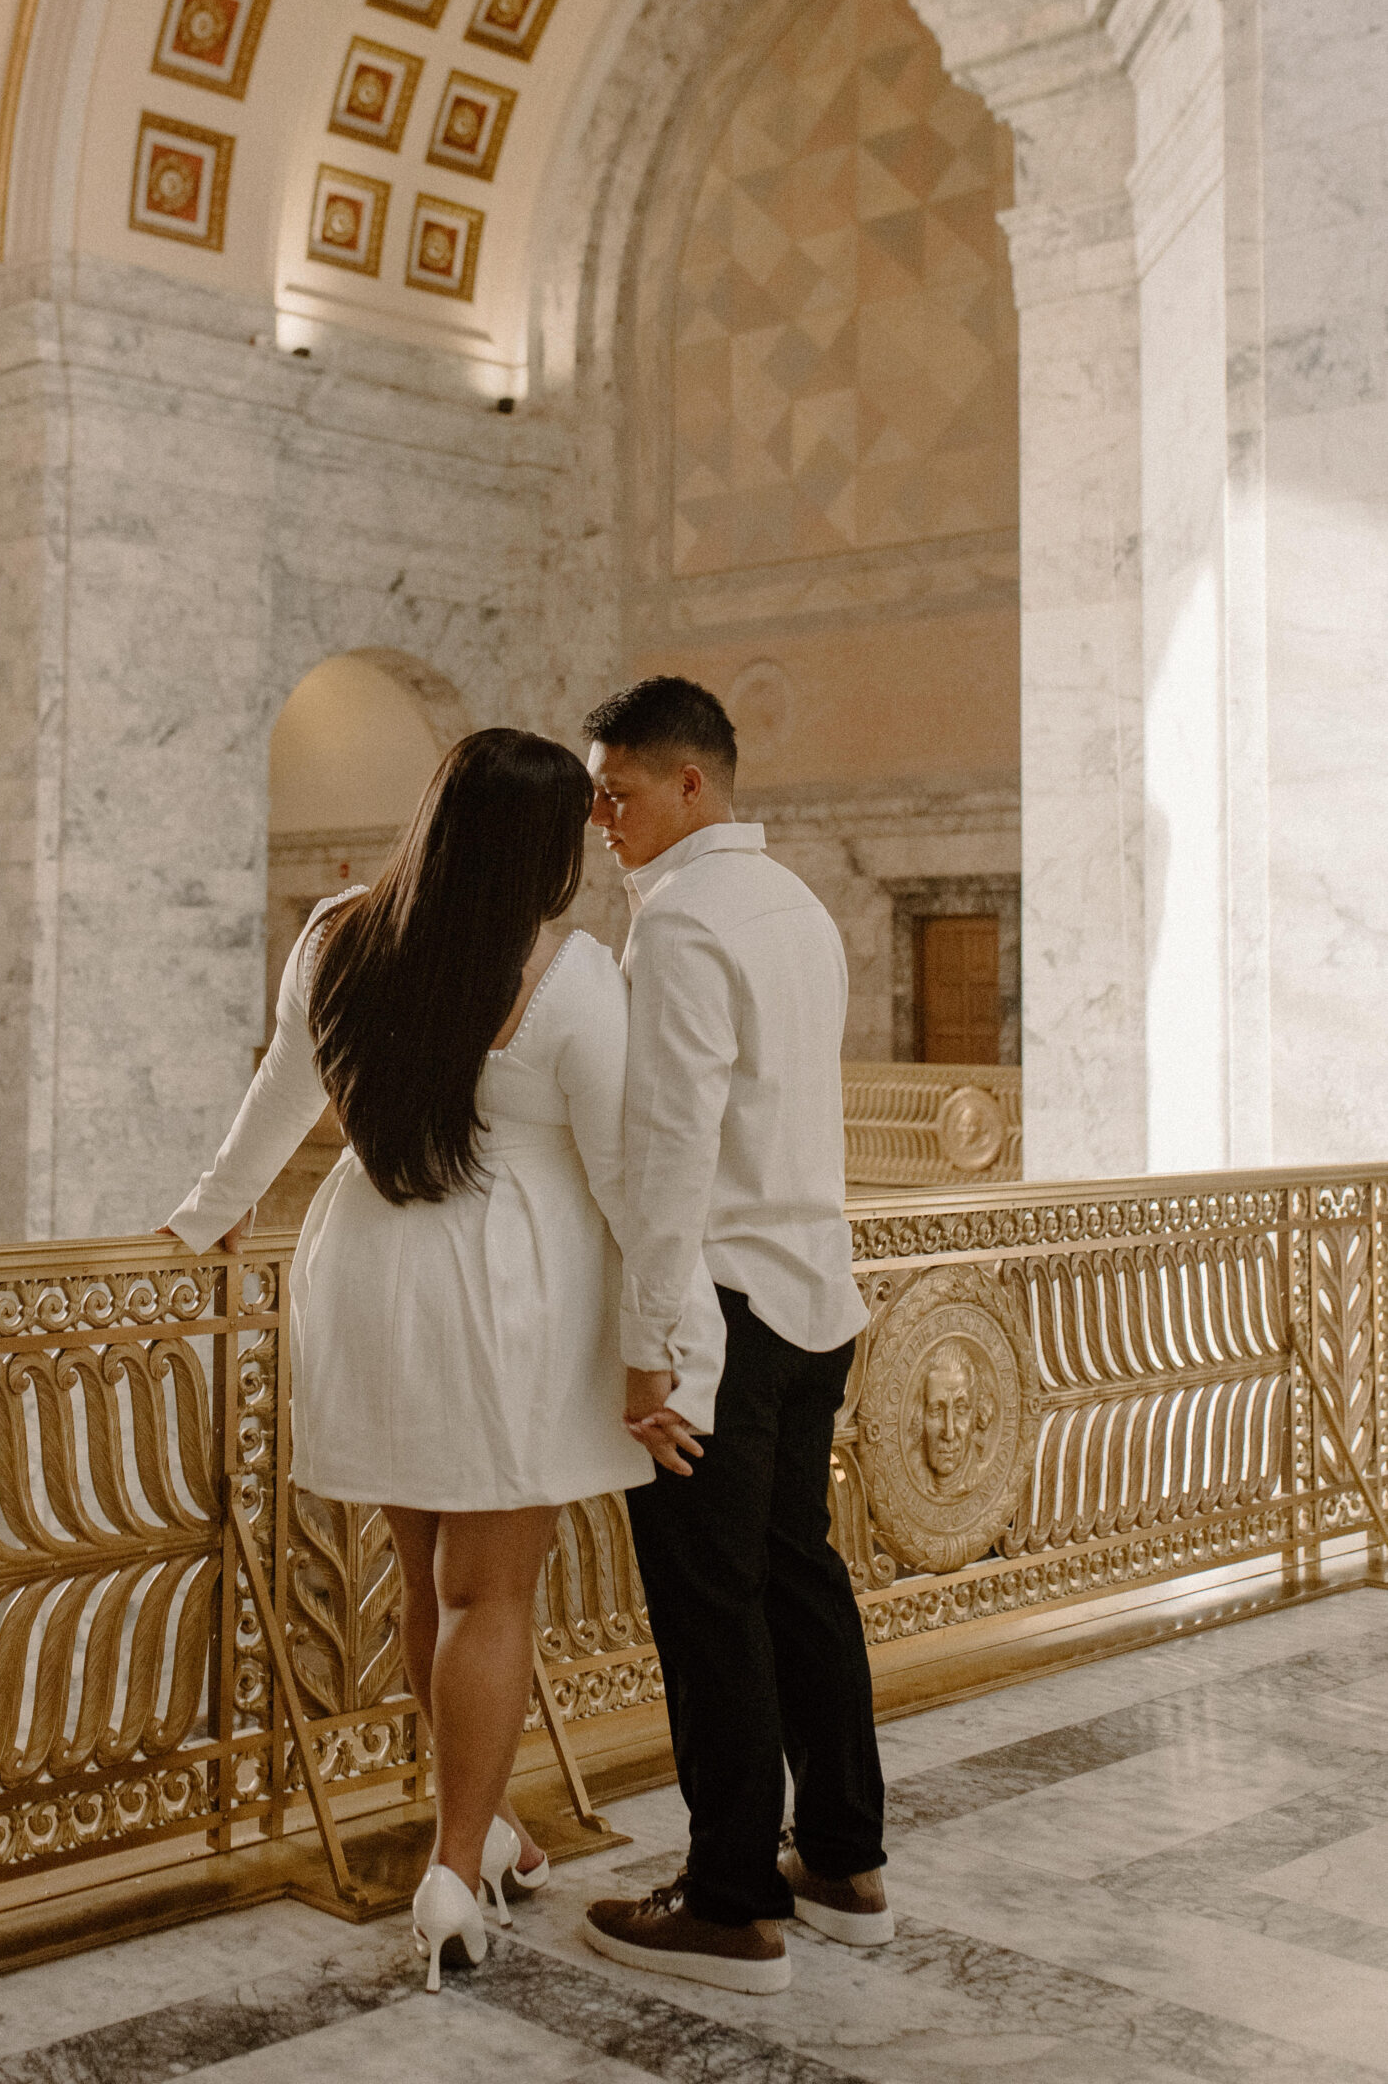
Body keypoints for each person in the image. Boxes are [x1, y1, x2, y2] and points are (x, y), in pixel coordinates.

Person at [154, 726, 721, 1991]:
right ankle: (455, 1866)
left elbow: (283, 1095)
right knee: (491, 1592)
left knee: (427, 1582)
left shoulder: (335, 933)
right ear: (534, 846)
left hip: (364, 1267)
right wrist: (665, 1344)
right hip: (500, 1283)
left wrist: (206, 1211)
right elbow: (632, 1183)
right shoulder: (568, 974)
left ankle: (493, 1824)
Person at [579, 675, 891, 1997]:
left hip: (719, 1315)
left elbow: (667, 1152)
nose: (600, 818)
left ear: (687, 783)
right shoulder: (798, 906)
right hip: (814, 1291)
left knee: (710, 1608)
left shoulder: (683, 922)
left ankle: (725, 1902)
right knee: (796, 1577)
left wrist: (647, 1338)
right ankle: (838, 1857)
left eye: (618, 791)